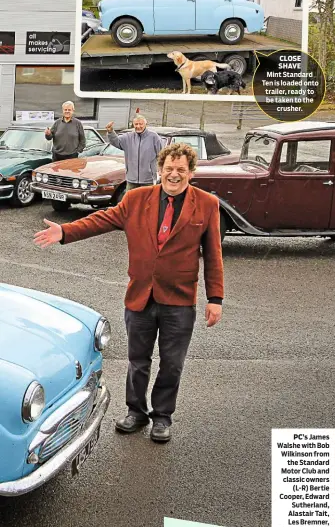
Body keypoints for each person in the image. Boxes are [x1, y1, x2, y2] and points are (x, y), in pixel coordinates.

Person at [33, 143, 224, 443]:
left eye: (181, 170)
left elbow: (213, 255)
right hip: (141, 296)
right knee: (138, 360)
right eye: (169, 169)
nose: (174, 175)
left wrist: (215, 299)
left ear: (191, 173)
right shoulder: (136, 199)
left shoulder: (207, 205)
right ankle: (136, 412)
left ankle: (162, 416)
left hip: (180, 300)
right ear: (159, 170)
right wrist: (65, 232)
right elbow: (102, 220)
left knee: (172, 363)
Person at [105, 115, 164, 191]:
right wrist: (110, 132)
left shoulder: (154, 137)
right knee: (130, 201)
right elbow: (116, 142)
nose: (138, 126)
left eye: (141, 124)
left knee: (147, 202)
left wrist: (161, 170)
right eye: (136, 124)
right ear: (133, 125)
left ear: (146, 124)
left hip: (148, 180)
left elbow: (161, 155)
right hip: (131, 180)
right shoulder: (128, 137)